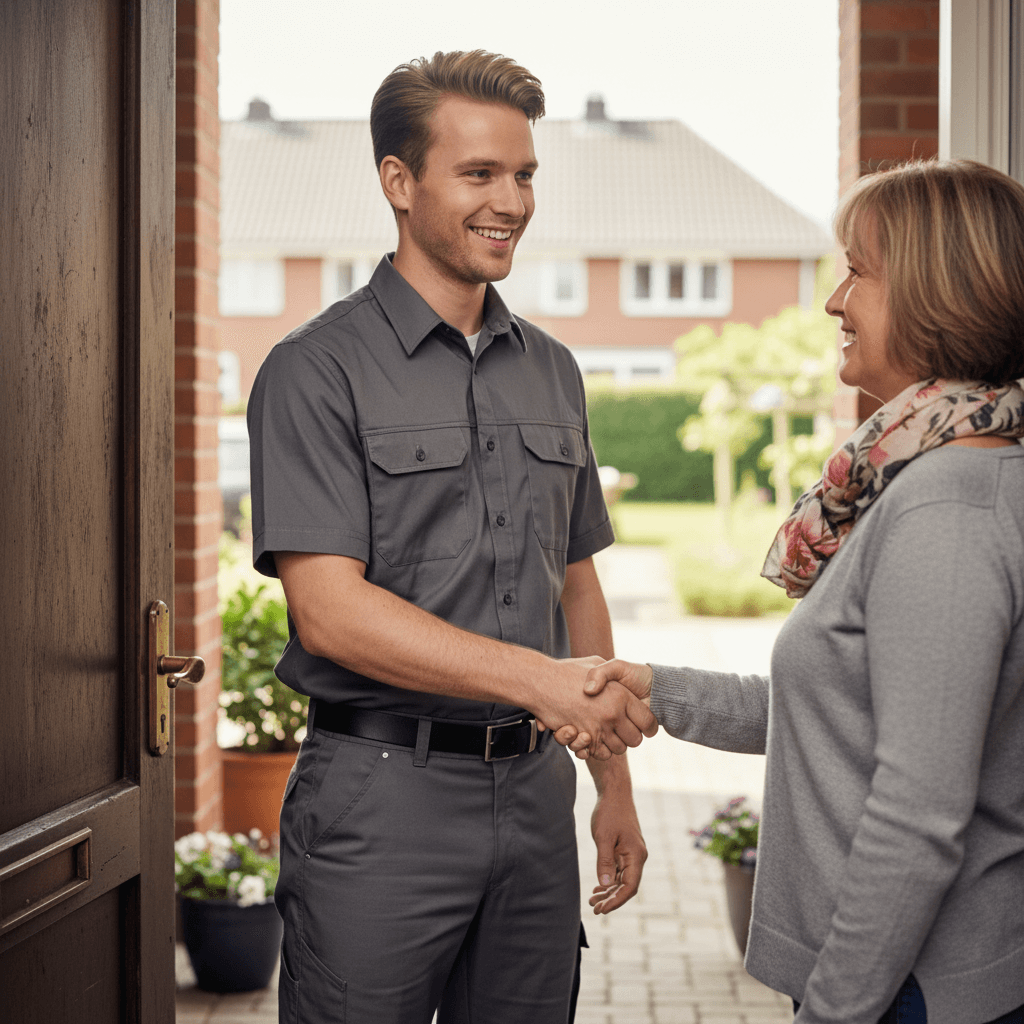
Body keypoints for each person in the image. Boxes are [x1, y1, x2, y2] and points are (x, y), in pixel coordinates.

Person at [247, 50, 657, 1024]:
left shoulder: (552, 369)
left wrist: (613, 780)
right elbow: (330, 612)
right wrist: (540, 681)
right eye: (479, 174)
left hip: (532, 797)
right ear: (399, 181)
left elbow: (576, 582)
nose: (509, 201)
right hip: (380, 799)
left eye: (523, 175)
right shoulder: (314, 371)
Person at [566, 159, 1024, 1024]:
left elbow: (918, 818)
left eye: (859, 270)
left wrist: (835, 1010)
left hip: (909, 995)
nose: (834, 300)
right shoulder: (934, 476)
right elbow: (852, 713)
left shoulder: (946, 509)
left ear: (937, 293)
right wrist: (661, 690)